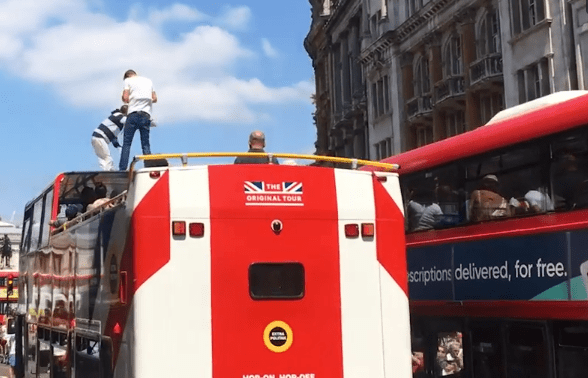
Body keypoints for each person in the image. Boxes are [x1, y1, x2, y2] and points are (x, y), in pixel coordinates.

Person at [119, 69, 158, 170]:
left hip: (133, 114)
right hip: (146, 115)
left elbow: (125, 98)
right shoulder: (148, 81)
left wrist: (126, 99)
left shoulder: (128, 81)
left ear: (127, 77)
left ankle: (123, 169)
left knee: (127, 144)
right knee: (145, 143)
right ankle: (148, 167)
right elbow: (155, 98)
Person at [91, 105, 128, 171]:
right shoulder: (119, 116)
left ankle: (106, 170)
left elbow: (113, 135)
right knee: (107, 157)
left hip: (96, 137)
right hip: (100, 137)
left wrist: (117, 145)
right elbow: (128, 121)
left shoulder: (116, 117)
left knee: (102, 157)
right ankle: (109, 172)